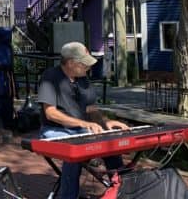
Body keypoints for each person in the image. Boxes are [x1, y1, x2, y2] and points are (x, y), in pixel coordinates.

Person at [37, 41, 129, 199]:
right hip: (54, 130)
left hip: (80, 130)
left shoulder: (83, 79)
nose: (89, 67)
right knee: (74, 152)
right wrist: (83, 123)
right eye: (84, 64)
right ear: (71, 63)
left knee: (109, 142)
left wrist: (106, 123)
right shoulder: (50, 77)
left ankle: (124, 190)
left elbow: (91, 109)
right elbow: (50, 113)